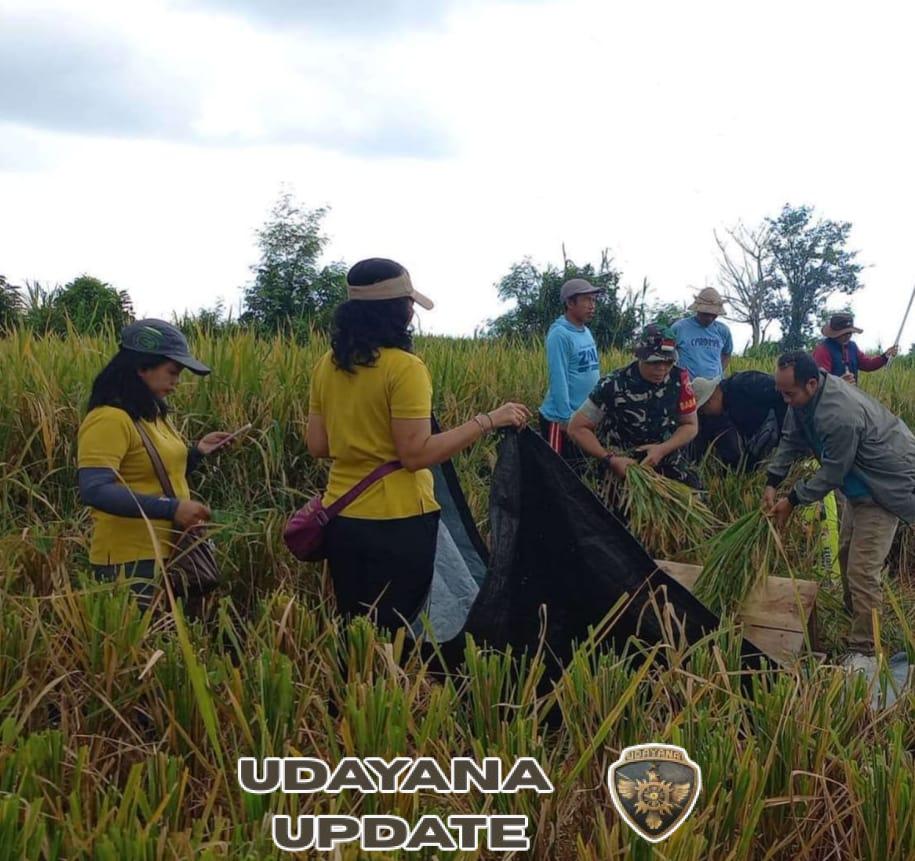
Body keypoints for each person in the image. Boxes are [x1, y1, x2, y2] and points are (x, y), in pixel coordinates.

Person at [306, 258, 530, 631]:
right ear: (398, 312)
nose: (412, 311)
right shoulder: (405, 368)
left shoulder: (327, 365)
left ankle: (355, 686)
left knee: (355, 628)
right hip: (398, 522)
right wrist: (488, 420)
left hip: (341, 516)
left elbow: (317, 444)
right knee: (397, 629)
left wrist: (361, 440)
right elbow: (416, 455)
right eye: (408, 304)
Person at [762, 350, 915, 673]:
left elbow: (833, 471)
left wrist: (792, 500)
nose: (785, 399)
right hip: (858, 485)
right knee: (846, 555)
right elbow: (791, 439)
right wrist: (772, 481)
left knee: (863, 570)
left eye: (789, 393)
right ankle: (857, 617)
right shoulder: (800, 400)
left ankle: (865, 650)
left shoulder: (839, 413)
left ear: (812, 384)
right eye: (782, 392)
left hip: (883, 486)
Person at [77, 319, 237, 609]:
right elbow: (95, 489)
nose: (176, 383)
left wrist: (198, 452)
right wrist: (172, 509)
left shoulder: (151, 416)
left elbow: (158, 472)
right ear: (142, 367)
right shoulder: (109, 418)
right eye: (172, 372)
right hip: (129, 564)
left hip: (171, 555)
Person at [567, 323, 701, 490]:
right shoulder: (613, 384)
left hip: (664, 454)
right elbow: (577, 428)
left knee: (693, 496)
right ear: (640, 356)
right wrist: (609, 458)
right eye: (655, 362)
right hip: (622, 460)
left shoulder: (679, 379)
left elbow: (690, 425)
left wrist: (662, 449)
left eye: (668, 362)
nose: (662, 369)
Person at [538, 278, 603, 475]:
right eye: (587, 300)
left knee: (581, 471)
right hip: (561, 421)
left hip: (582, 417)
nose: (592, 306)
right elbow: (558, 379)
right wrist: (566, 419)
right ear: (570, 303)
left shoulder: (586, 332)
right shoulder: (560, 334)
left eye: (594, 300)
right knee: (559, 473)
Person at [691, 371, 788, 470]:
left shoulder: (743, 383)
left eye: (703, 411)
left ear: (709, 402)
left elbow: (782, 388)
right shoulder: (727, 406)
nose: (706, 415)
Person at [813, 312, 898, 384]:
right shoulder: (823, 351)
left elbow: (868, 364)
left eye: (850, 333)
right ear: (835, 333)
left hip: (851, 398)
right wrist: (840, 383)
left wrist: (885, 356)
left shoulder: (852, 347)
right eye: (845, 333)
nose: (848, 336)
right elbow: (820, 382)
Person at [671, 287, 733, 380]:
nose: (709, 318)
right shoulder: (680, 328)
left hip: (714, 386)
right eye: (706, 314)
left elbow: (727, 353)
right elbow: (667, 353)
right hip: (687, 384)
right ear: (698, 310)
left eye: (713, 315)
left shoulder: (723, 330)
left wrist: (719, 373)